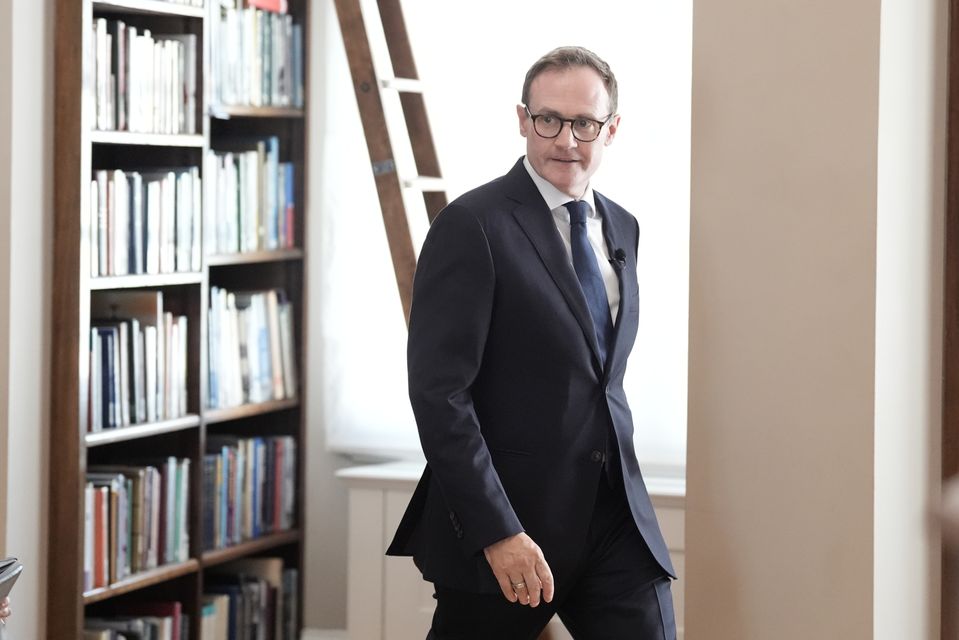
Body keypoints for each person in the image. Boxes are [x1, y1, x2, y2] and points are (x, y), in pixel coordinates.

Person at [387, 45, 677, 639]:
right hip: (512, 524)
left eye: (584, 124)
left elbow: (600, 377)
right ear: (523, 120)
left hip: (614, 517)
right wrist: (498, 531)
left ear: (611, 129)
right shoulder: (474, 226)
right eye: (548, 120)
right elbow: (441, 394)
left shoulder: (623, 226)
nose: (566, 139)